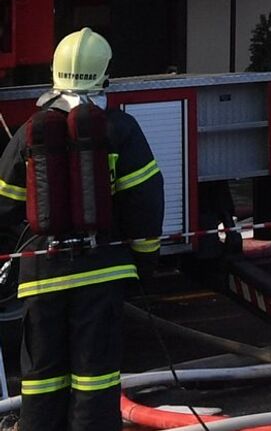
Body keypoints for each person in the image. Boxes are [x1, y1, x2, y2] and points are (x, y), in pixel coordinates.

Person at [0, 29, 164, 431]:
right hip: (102, 273)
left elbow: (4, 205)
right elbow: (145, 204)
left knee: (41, 380)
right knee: (95, 379)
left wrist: (24, 254)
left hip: (41, 278)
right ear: (105, 74)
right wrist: (144, 264)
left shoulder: (29, 133)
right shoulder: (120, 130)